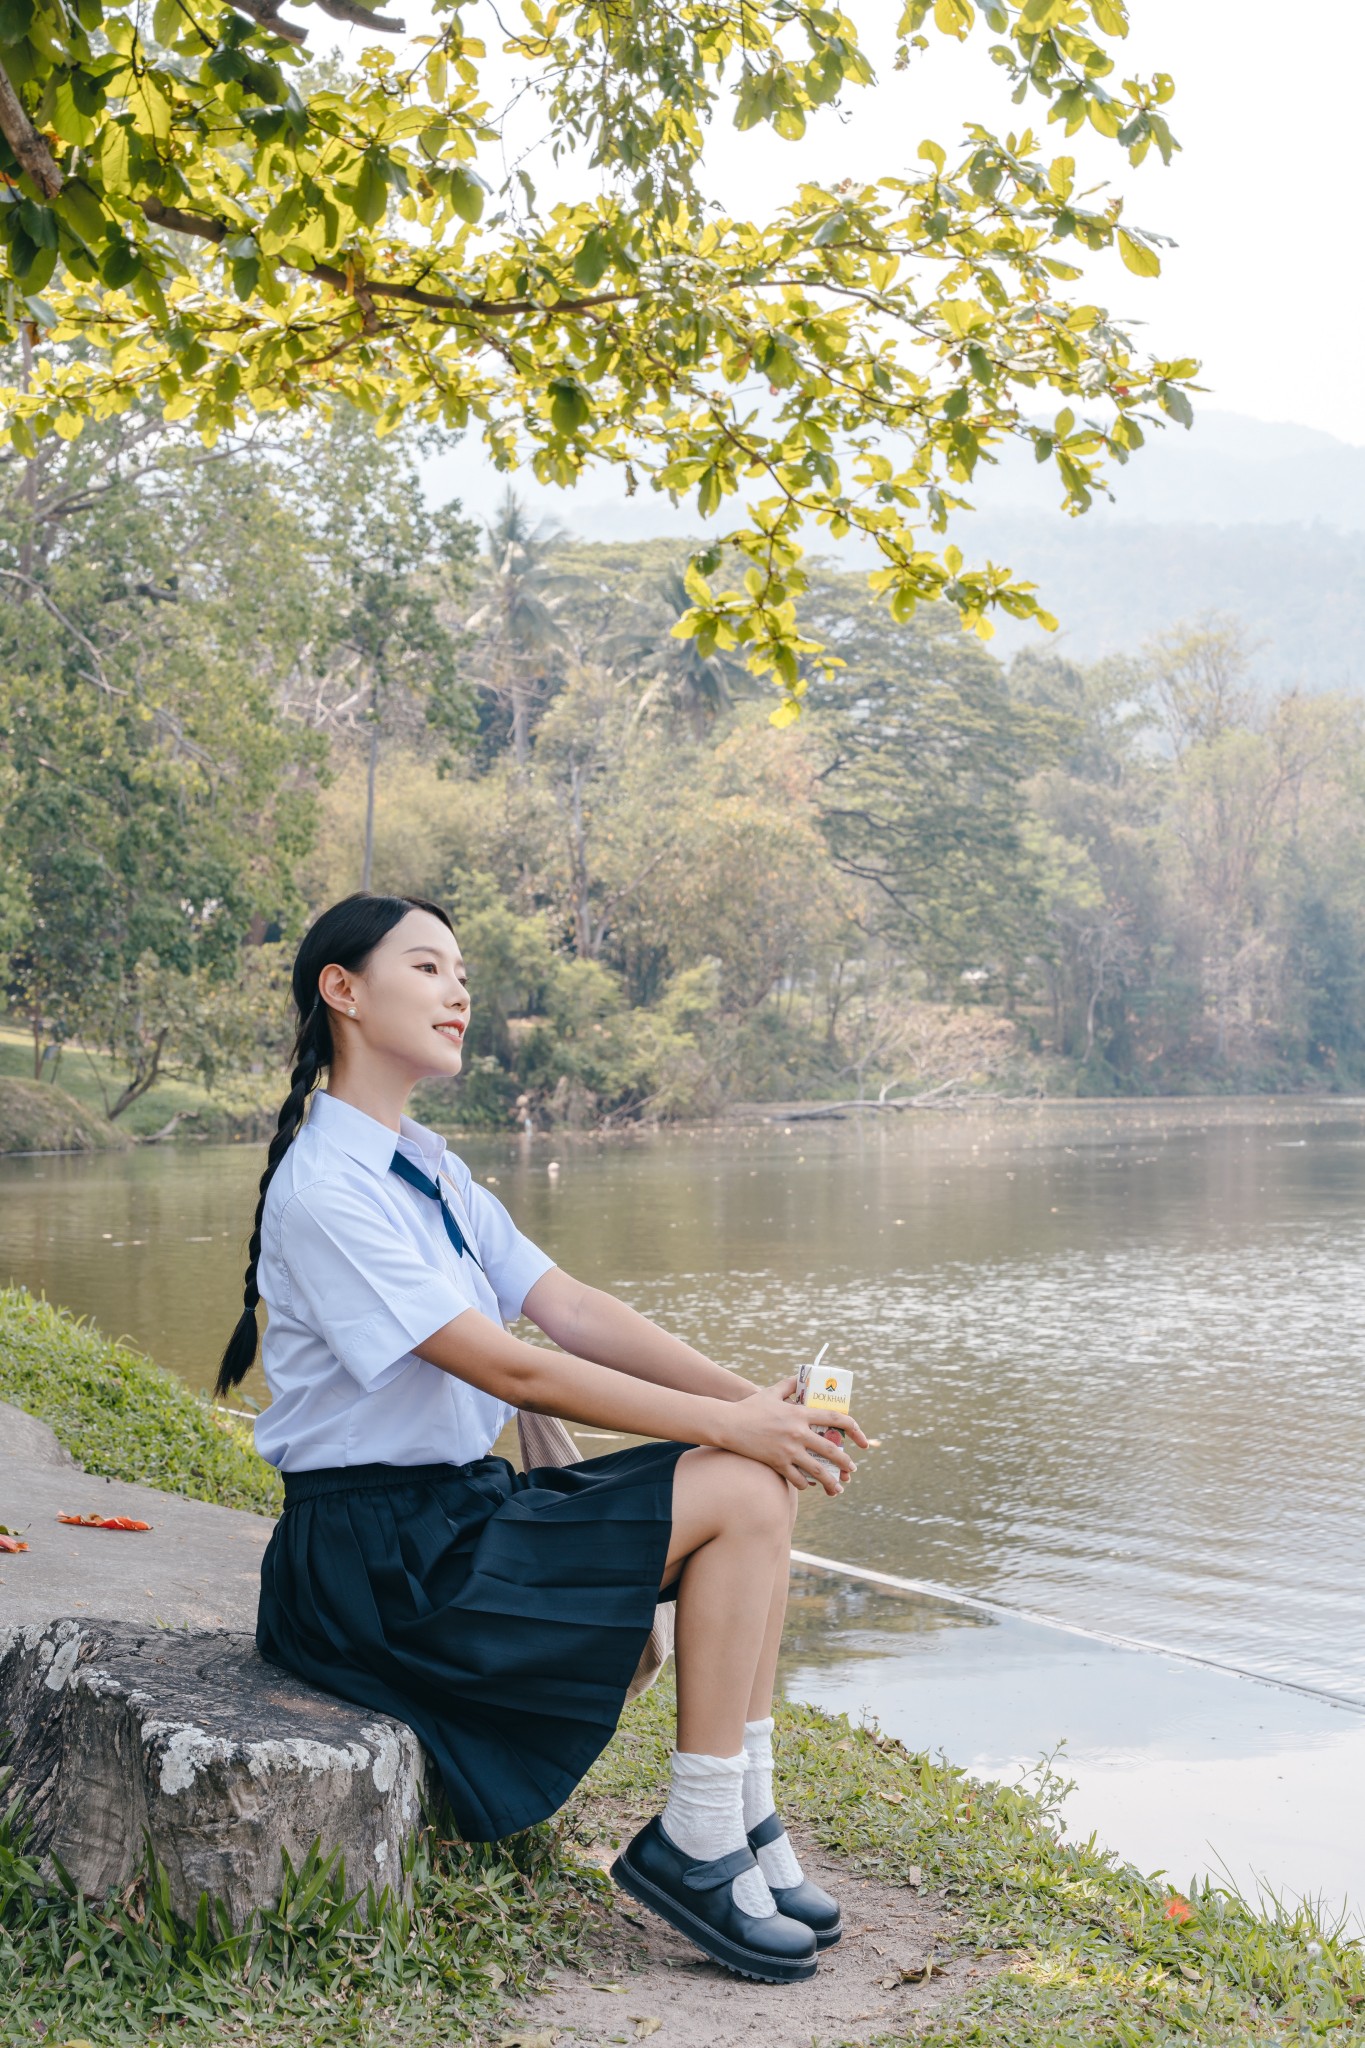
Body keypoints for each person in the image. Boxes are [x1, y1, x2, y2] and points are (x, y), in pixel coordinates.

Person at [217, 892, 868, 1984]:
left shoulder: (429, 1166)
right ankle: (695, 1837)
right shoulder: (328, 1189)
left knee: (759, 1471)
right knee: (747, 1485)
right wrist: (731, 1424)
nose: (459, 991)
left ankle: (741, 1813)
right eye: (428, 967)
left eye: (461, 971)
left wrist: (760, 1407)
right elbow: (511, 1364)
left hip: (454, 1515)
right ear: (344, 989)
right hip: (378, 1563)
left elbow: (571, 1309)